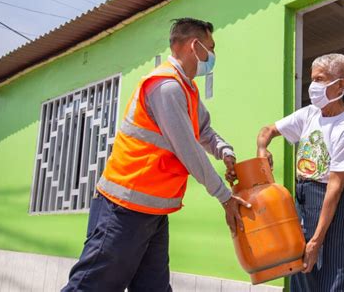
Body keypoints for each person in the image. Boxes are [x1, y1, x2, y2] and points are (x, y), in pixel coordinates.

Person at [62, 18, 250, 292]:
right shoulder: (166, 87)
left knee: (153, 288)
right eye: (211, 48)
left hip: (154, 210)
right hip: (124, 207)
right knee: (92, 287)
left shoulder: (187, 88)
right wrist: (224, 196)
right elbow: (188, 149)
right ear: (194, 46)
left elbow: (204, 130)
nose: (213, 56)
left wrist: (226, 152)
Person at [256, 54, 344, 291]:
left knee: (334, 269)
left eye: (319, 79)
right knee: (298, 263)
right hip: (302, 195)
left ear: (340, 84)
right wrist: (262, 149)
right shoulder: (309, 114)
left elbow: (335, 188)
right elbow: (267, 130)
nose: (313, 86)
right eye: (312, 79)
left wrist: (316, 241)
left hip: (330, 200)